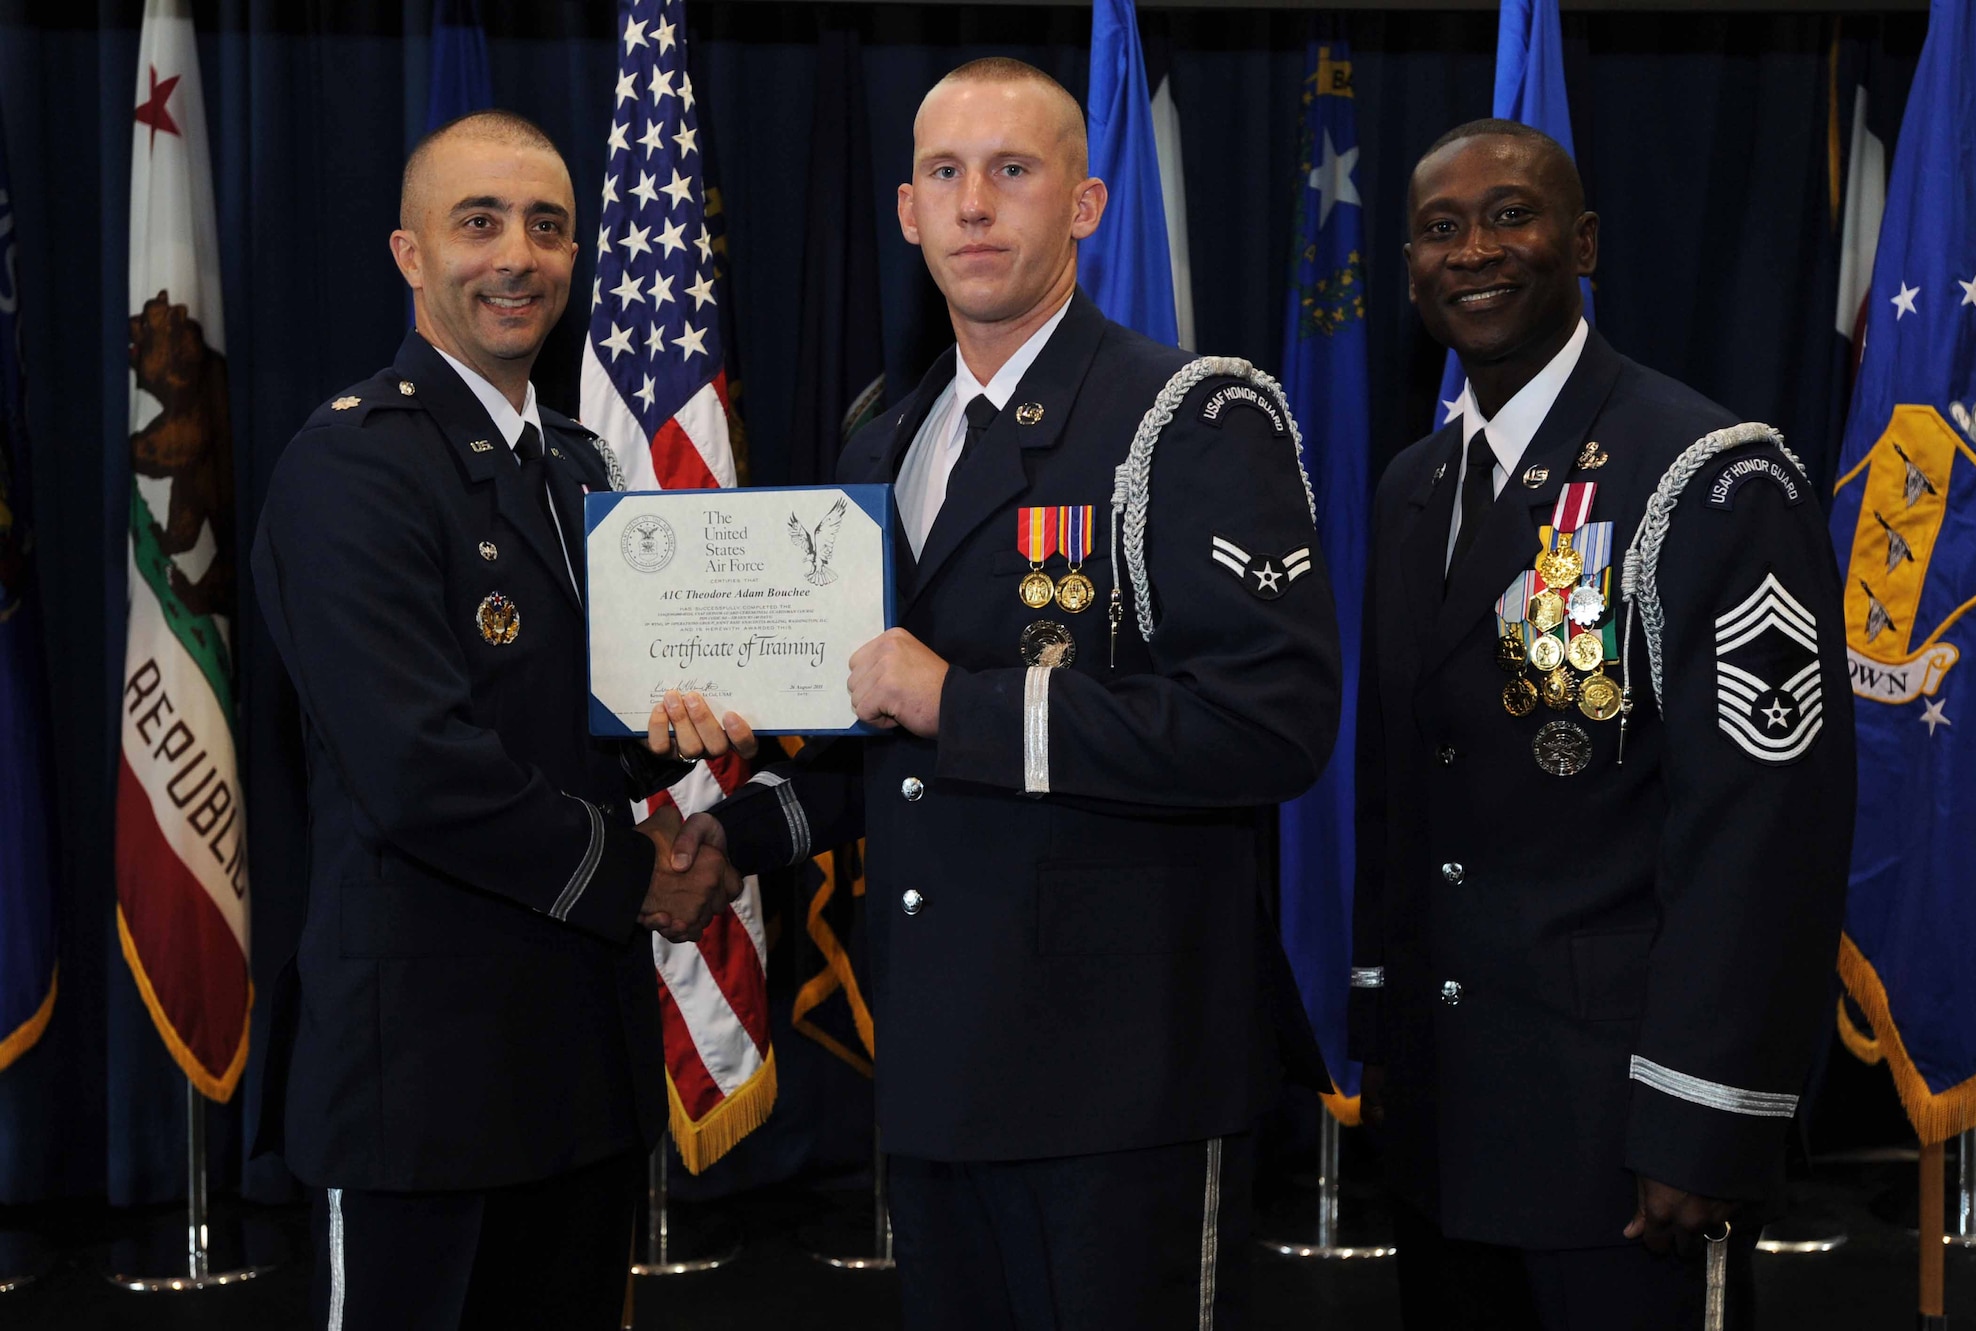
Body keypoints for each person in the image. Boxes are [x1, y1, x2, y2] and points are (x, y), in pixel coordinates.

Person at [652, 59, 1340, 1330]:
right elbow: (885, 748)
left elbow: (1271, 723)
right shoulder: (883, 439)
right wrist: (734, 834)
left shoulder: (1183, 417)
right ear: (906, 209)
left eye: (1011, 172)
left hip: (1123, 1078)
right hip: (936, 1065)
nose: (974, 205)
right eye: (943, 175)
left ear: (1082, 204)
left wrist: (958, 701)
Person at [1348, 118, 1855, 1328]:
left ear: (1581, 242)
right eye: (1436, 227)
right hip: (1443, 1121)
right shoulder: (1413, 487)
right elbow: (1402, 796)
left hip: (1621, 1138)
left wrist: (1704, 1109)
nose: (1474, 249)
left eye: (1510, 214)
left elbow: (1761, 830)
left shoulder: (1709, 475)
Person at [250, 110, 750, 1330]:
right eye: (477, 223)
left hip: (578, 1070)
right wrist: (642, 876)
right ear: (409, 253)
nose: (516, 254)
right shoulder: (351, 468)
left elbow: (580, 722)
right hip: (421, 1088)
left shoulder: (577, 469)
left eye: (546, 225)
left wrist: (676, 727)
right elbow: (417, 767)